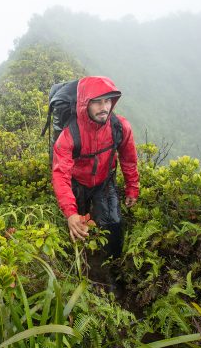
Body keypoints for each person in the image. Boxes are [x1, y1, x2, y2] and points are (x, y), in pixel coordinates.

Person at [52, 76, 139, 258]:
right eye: (97, 102)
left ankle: (114, 264)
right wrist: (70, 213)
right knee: (79, 224)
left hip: (104, 181)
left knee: (113, 224)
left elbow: (128, 158)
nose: (104, 107)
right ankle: (82, 261)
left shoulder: (120, 126)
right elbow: (61, 175)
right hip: (78, 183)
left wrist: (132, 187)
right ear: (85, 104)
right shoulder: (69, 136)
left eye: (107, 100)